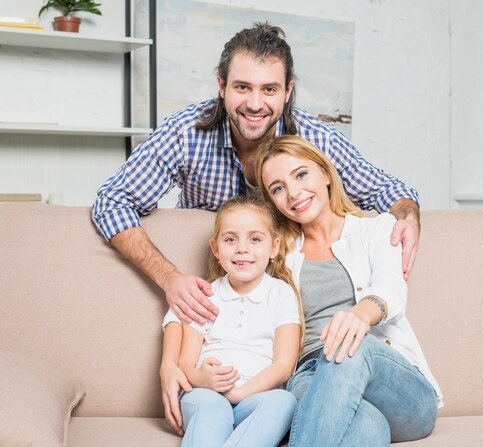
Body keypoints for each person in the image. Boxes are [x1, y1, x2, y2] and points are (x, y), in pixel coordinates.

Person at [91, 22, 422, 333]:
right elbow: (112, 201)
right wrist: (169, 278)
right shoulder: (185, 132)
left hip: (288, 302)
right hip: (220, 292)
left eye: (269, 89)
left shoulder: (314, 138)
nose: (254, 103)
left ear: (287, 91)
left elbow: (388, 190)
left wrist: (407, 215)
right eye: (242, 87)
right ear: (221, 85)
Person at [161, 135, 443, 444]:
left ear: (325, 173)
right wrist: (170, 365)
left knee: (350, 343)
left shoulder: (376, 229)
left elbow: (392, 290)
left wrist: (360, 315)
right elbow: (209, 300)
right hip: (313, 379)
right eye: (278, 188)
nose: (294, 192)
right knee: (370, 428)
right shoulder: (274, 250)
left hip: (394, 386)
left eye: (301, 174)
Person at [162, 196, 303, 446]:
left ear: (274, 248)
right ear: (216, 249)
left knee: (285, 402)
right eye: (230, 239)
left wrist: (239, 392)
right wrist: (200, 378)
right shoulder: (204, 296)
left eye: (255, 239)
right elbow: (184, 362)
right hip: (206, 394)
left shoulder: (281, 294)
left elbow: (283, 365)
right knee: (212, 408)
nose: (242, 248)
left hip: (256, 396)